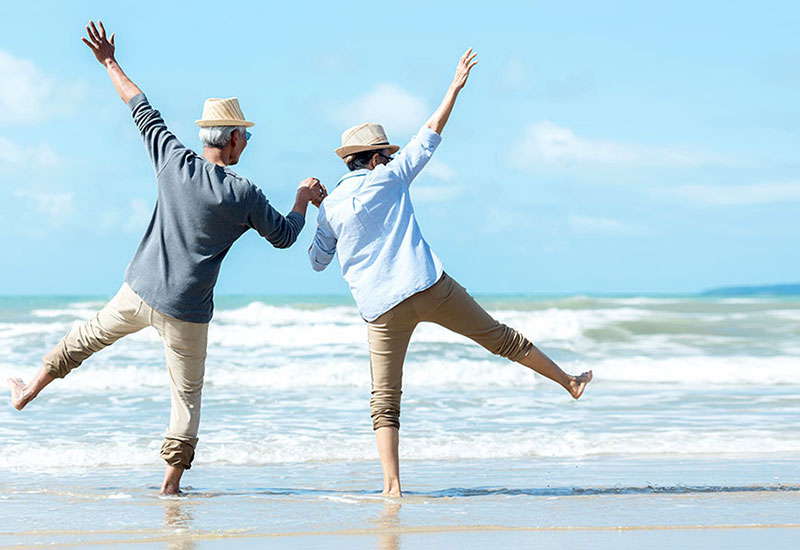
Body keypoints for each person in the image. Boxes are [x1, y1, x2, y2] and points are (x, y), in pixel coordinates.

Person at [6, 20, 326, 494]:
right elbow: (284, 236)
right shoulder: (243, 193)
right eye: (246, 137)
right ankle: (169, 486)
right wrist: (302, 198)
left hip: (139, 290)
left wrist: (108, 60)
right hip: (188, 310)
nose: (246, 144)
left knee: (85, 338)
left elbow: (138, 105)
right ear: (234, 139)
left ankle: (29, 388)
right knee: (186, 397)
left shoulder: (171, 158)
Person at [309, 49, 592, 497]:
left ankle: (392, 486)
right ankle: (569, 382)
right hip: (426, 284)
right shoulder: (391, 177)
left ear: (351, 161)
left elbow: (318, 261)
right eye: (386, 153)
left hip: (380, 309)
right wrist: (455, 86)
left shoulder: (330, 207)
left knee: (385, 401)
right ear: (378, 157)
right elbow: (430, 133)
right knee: (500, 338)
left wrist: (311, 204)